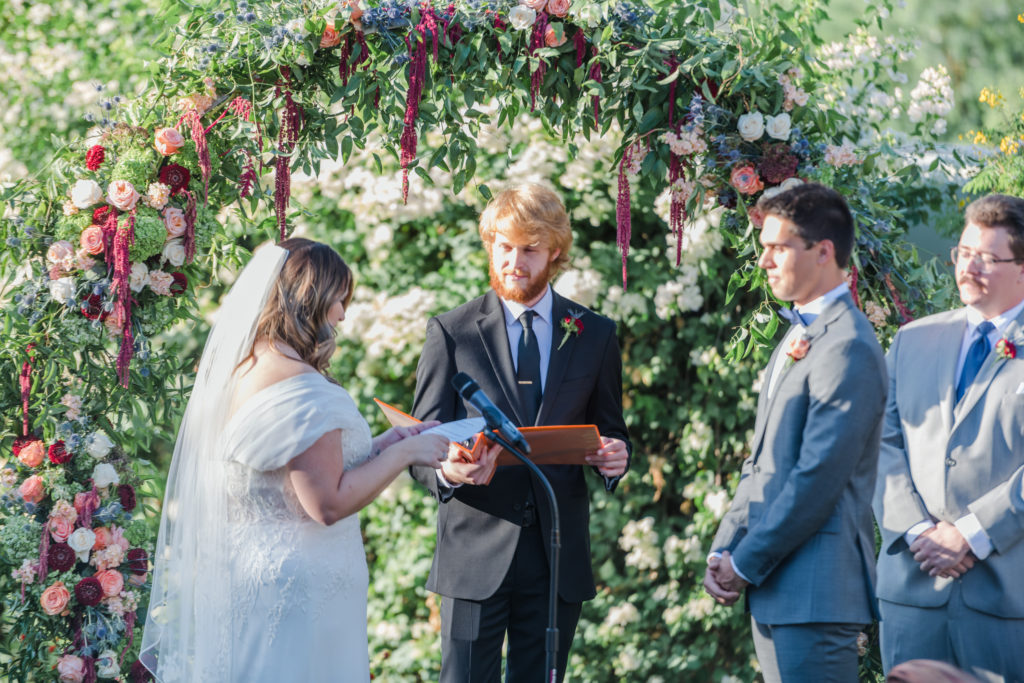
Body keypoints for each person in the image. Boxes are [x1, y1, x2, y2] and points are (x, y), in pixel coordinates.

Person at [140, 238, 449, 682]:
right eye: (338, 299)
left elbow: (288, 474)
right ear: (310, 299)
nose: (343, 313)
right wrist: (405, 453)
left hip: (247, 583)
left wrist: (385, 443)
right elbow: (326, 503)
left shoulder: (242, 371)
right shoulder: (303, 390)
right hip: (303, 598)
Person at [409, 183, 631, 683]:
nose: (514, 261)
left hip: (557, 556)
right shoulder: (452, 331)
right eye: (503, 247)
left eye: (529, 249)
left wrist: (618, 457)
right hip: (473, 555)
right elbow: (421, 446)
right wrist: (444, 469)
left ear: (555, 251)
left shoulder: (594, 333)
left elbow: (612, 430)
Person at [703, 183, 886, 682]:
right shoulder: (797, 334)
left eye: (778, 247)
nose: (765, 261)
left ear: (823, 252)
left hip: (816, 592)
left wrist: (744, 563)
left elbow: (817, 479)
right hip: (778, 587)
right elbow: (761, 463)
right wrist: (725, 546)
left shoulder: (848, 345)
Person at [873, 193, 1024, 683]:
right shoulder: (912, 339)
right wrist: (919, 532)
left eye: (987, 258)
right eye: (963, 253)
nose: (968, 267)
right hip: (912, 591)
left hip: (1006, 596)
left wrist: (970, 534)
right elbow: (880, 445)